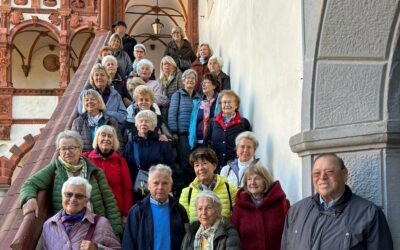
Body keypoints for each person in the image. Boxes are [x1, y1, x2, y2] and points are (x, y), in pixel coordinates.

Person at [281, 153, 394, 249]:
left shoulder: (369, 214)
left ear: (344, 174)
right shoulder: (296, 211)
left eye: (329, 172)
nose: (322, 177)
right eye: (316, 173)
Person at [20, 130, 122, 235]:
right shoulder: (55, 169)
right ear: (59, 151)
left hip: (95, 227)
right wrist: (29, 198)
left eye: (72, 148)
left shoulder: (95, 171)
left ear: (80, 149)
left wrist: (115, 231)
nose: (67, 152)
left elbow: (109, 202)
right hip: (68, 230)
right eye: (63, 148)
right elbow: (29, 184)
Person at [40, 176, 121, 249]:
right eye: (68, 194)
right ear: (62, 196)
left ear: (87, 200)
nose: (73, 199)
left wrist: (96, 248)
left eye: (79, 196)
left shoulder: (101, 223)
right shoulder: (49, 225)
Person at [122, 164, 188, 250]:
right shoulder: (137, 212)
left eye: (164, 183)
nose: (160, 187)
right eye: (156, 183)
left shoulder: (179, 210)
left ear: (170, 186)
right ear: (148, 185)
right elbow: (128, 245)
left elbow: (186, 242)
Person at [231, 163, 290, 250]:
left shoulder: (282, 204)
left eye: (257, 178)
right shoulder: (239, 207)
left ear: (265, 180)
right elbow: (234, 237)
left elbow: (292, 233)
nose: (252, 182)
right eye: (249, 179)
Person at [82, 125, 132, 219]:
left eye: (110, 136)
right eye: (103, 135)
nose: (106, 138)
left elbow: (127, 189)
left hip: (115, 212)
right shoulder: (86, 158)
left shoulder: (120, 161)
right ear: (97, 138)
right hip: (92, 212)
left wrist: (125, 214)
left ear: (114, 141)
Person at [123, 110, 174, 200]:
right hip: (137, 189)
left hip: (159, 188)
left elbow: (171, 166)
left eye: (147, 121)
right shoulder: (131, 144)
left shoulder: (162, 143)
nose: (143, 123)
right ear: (136, 125)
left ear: (154, 125)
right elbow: (126, 168)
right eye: (141, 121)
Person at [179, 147, 237, 222]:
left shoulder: (230, 189)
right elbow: (184, 223)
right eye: (197, 165)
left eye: (204, 163)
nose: (200, 168)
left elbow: (236, 221)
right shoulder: (187, 193)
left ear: (214, 165)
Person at [168, 69, 200, 186]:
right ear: (183, 81)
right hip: (182, 134)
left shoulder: (198, 97)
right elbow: (172, 113)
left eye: (193, 78)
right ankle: (186, 187)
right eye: (188, 78)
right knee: (185, 161)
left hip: (195, 135)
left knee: (195, 161)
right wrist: (174, 131)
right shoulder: (178, 95)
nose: (190, 80)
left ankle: (195, 185)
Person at [204, 90, 252, 168]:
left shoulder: (244, 123)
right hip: (217, 165)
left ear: (236, 105)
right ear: (220, 105)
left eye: (229, 102)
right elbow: (206, 142)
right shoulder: (213, 122)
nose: (226, 104)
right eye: (224, 102)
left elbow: (250, 144)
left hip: (236, 166)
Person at [188, 73, 220, 149]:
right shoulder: (198, 102)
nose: (203, 85)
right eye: (202, 83)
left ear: (214, 86)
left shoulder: (220, 100)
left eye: (206, 83)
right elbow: (192, 122)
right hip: (198, 141)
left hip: (214, 141)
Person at [158, 55, 183, 121]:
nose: (166, 65)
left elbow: (182, 93)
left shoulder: (179, 76)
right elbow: (159, 96)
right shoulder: (160, 79)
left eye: (168, 63)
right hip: (163, 110)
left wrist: (170, 103)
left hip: (176, 109)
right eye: (164, 64)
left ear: (173, 65)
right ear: (162, 67)